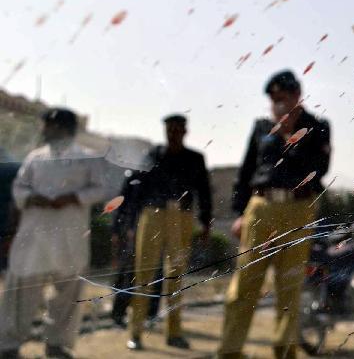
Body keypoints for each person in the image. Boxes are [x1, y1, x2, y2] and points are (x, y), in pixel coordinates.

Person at [218, 70, 331, 359]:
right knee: (244, 284)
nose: (277, 104)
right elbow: (245, 172)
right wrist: (240, 213)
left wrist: (289, 132)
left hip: (298, 208)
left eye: (283, 98)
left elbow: (320, 169)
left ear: (296, 96)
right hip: (261, 207)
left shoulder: (317, 127)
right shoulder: (260, 126)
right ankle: (229, 351)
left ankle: (284, 352)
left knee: (289, 288)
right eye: (273, 99)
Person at [0, 108, 108, 359]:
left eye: (49, 126)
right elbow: (19, 188)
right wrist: (32, 198)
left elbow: (99, 190)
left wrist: (73, 197)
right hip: (34, 234)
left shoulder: (88, 158)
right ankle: (8, 345)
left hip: (69, 235)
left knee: (67, 292)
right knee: (22, 290)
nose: (44, 131)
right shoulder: (35, 157)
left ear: (64, 129)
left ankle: (57, 344)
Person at [125, 114, 212, 351]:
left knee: (176, 275)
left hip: (181, 217)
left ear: (185, 131)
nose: (173, 133)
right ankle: (135, 332)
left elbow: (204, 192)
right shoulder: (153, 154)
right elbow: (137, 188)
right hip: (152, 214)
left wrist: (205, 223)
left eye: (178, 129)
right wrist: (131, 224)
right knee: (144, 274)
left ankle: (174, 332)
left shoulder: (195, 158)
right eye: (170, 129)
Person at [109, 165, 161, 329]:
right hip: (132, 232)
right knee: (127, 275)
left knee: (154, 274)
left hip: (151, 231)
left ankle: (149, 314)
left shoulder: (158, 176)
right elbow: (122, 204)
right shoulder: (134, 176)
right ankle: (119, 314)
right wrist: (119, 230)